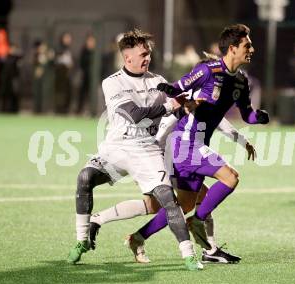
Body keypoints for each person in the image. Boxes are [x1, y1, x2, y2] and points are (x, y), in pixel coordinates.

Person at [125, 24, 269, 263]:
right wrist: (167, 90)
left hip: (194, 144)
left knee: (182, 205)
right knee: (230, 177)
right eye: (247, 45)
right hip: (185, 142)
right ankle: (198, 222)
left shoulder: (241, 82)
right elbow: (178, 88)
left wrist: (259, 118)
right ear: (232, 48)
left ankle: (137, 238)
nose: (252, 49)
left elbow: (247, 115)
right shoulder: (208, 70)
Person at [66, 29, 203, 271]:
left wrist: (189, 104)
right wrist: (172, 105)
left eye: (148, 53)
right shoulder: (112, 82)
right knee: (85, 177)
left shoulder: (157, 81)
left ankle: (189, 255)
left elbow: (177, 108)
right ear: (127, 58)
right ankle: (81, 241)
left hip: (146, 151)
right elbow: (135, 116)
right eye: (142, 54)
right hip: (117, 148)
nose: (147, 58)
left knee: (168, 200)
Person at [89, 114, 256, 264]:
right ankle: (209, 247)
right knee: (157, 204)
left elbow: (219, 120)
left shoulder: (209, 96)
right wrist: (149, 167)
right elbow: (160, 134)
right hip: (170, 158)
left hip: (182, 156)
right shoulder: (187, 99)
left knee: (185, 204)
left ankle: (137, 237)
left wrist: (243, 141)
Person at [54, 32, 73, 114]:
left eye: (69, 38)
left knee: (68, 94)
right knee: (60, 94)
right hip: (60, 76)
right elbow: (56, 61)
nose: (68, 40)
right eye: (66, 38)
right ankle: (59, 110)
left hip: (67, 75)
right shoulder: (59, 49)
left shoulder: (68, 49)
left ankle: (65, 109)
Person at [77, 34, 96, 114]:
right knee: (82, 94)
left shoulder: (96, 52)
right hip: (85, 77)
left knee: (93, 95)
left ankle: (92, 111)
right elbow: (81, 64)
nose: (91, 43)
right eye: (89, 41)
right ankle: (80, 110)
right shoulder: (84, 51)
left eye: (92, 41)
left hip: (94, 78)